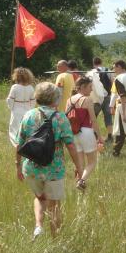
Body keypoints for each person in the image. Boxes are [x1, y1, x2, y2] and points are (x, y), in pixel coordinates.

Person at [15, 82, 83, 239]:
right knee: (55, 206)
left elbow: (19, 143)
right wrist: (79, 168)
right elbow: (71, 145)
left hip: (31, 167)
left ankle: (38, 227)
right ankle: (55, 240)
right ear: (55, 99)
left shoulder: (28, 115)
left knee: (40, 198)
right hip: (54, 169)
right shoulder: (60, 118)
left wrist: (18, 166)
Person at [66, 77, 104, 190]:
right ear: (83, 87)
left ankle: (79, 183)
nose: (91, 90)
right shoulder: (87, 100)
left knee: (80, 163)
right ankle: (82, 181)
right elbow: (93, 120)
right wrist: (100, 137)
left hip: (74, 133)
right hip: (86, 132)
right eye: (90, 87)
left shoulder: (69, 100)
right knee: (92, 162)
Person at [6, 67, 35, 148]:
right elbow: (33, 101)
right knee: (26, 128)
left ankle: (17, 145)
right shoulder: (31, 87)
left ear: (17, 76)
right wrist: (31, 109)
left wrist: (11, 108)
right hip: (28, 110)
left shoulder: (15, 87)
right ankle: (26, 143)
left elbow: (10, 100)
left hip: (17, 110)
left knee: (15, 128)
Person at [90, 57, 114, 144]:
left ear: (93, 63)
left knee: (93, 117)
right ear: (101, 62)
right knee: (108, 116)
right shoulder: (108, 71)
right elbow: (112, 83)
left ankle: (94, 135)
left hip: (96, 98)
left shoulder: (91, 72)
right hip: (107, 97)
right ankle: (110, 136)